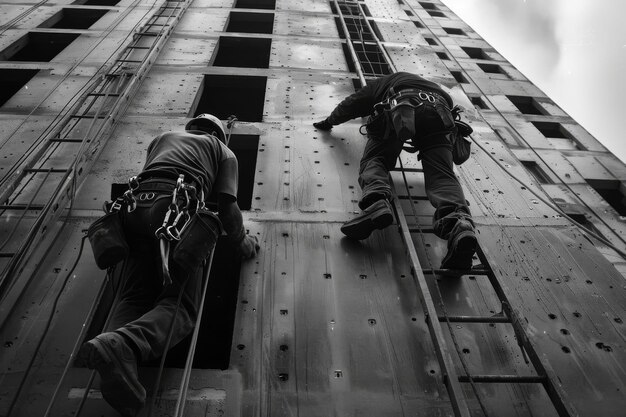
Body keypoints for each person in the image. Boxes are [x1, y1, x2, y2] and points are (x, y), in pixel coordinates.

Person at [79, 114, 260, 416]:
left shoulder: (162, 138)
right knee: (179, 305)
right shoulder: (222, 150)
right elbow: (228, 206)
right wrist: (241, 240)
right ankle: (123, 345)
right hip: (175, 209)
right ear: (219, 133)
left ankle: (113, 358)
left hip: (134, 210)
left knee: (133, 296)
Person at [313, 72, 476, 270]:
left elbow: (354, 102)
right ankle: (459, 224)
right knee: (442, 173)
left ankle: (376, 203)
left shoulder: (385, 82)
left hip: (400, 105)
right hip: (441, 114)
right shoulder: (433, 86)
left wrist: (330, 121)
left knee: (376, 159)